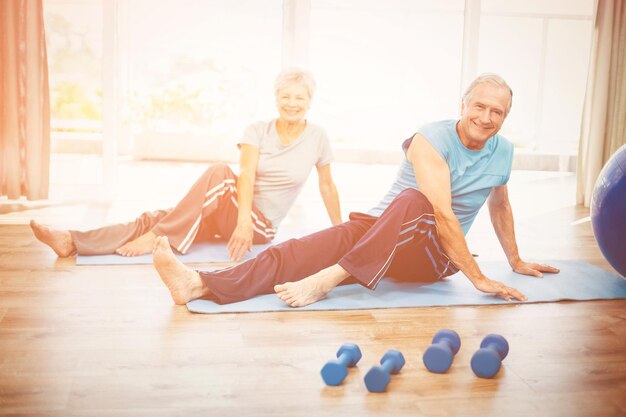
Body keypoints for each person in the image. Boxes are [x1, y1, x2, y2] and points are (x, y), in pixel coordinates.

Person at [152, 73, 560, 307]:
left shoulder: (504, 151)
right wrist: (481, 276)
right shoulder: (430, 139)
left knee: (414, 200)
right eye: (480, 107)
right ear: (463, 104)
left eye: (497, 112)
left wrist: (507, 263)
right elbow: (441, 209)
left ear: (505, 116)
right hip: (381, 235)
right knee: (294, 251)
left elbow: (497, 205)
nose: (486, 118)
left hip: (432, 258)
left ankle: (330, 278)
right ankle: (201, 285)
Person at [30, 67, 342, 262]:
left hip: (259, 226)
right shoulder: (257, 130)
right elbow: (245, 176)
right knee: (155, 217)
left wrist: (341, 230)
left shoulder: (317, 138)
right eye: (285, 96)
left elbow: (326, 185)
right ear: (276, 97)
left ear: (309, 101)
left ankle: (157, 235)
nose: (292, 103)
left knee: (218, 173)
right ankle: (71, 241)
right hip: (235, 213)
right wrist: (240, 219)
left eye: (299, 98)